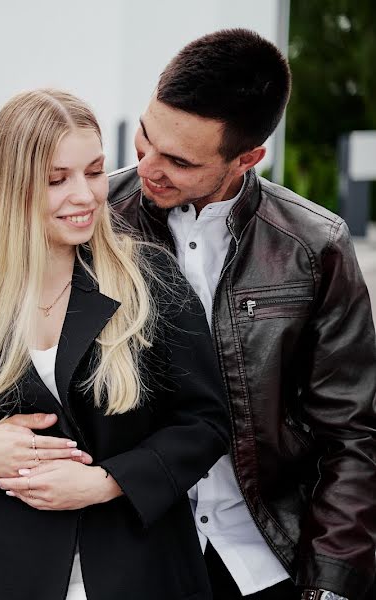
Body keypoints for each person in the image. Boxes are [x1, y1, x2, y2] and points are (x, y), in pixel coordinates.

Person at [0, 88, 230, 600]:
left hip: (138, 568)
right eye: (57, 180)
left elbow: (206, 422)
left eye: (95, 172)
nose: (85, 195)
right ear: (10, 186)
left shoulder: (150, 279)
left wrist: (106, 482)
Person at [108, 28, 376, 600]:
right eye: (145, 141)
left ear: (248, 157)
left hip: (265, 560)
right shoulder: (94, 227)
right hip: (127, 553)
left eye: (179, 161)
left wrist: (330, 585)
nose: (150, 168)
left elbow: (352, 436)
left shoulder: (314, 246)